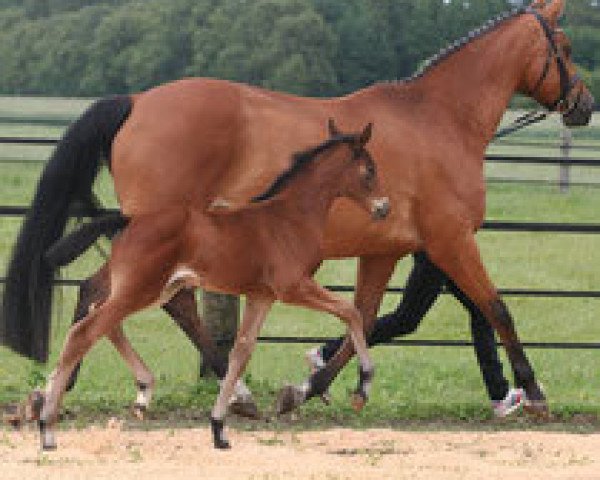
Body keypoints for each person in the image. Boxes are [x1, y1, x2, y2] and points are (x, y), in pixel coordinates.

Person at [306, 252, 524, 417]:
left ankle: (500, 394)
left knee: (472, 312)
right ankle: (500, 395)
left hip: (440, 250)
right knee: (407, 319)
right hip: (438, 251)